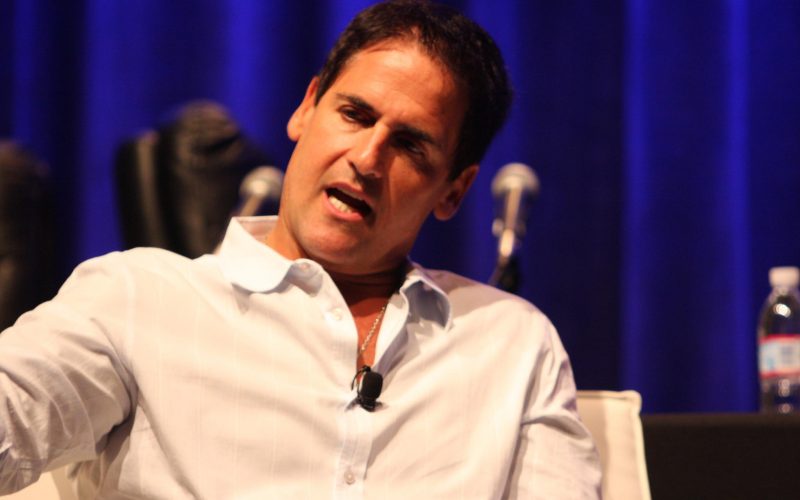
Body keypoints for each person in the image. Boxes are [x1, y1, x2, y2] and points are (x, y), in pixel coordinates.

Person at [0, 1, 601, 498]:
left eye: (410, 145)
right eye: (354, 114)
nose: (367, 158)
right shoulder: (135, 300)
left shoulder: (511, 343)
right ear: (307, 108)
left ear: (454, 190)